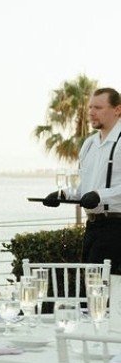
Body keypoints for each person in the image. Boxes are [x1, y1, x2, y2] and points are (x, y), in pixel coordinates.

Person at [42, 86, 121, 274]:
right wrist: (62, 195)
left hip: (117, 228)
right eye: (90, 108)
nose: (92, 113)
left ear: (117, 110)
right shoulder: (89, 144)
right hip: (93, 227)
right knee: (93, 289)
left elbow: (97, 194)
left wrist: (100, 196)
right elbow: (85, 189)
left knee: (109, 291)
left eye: (98, 108)